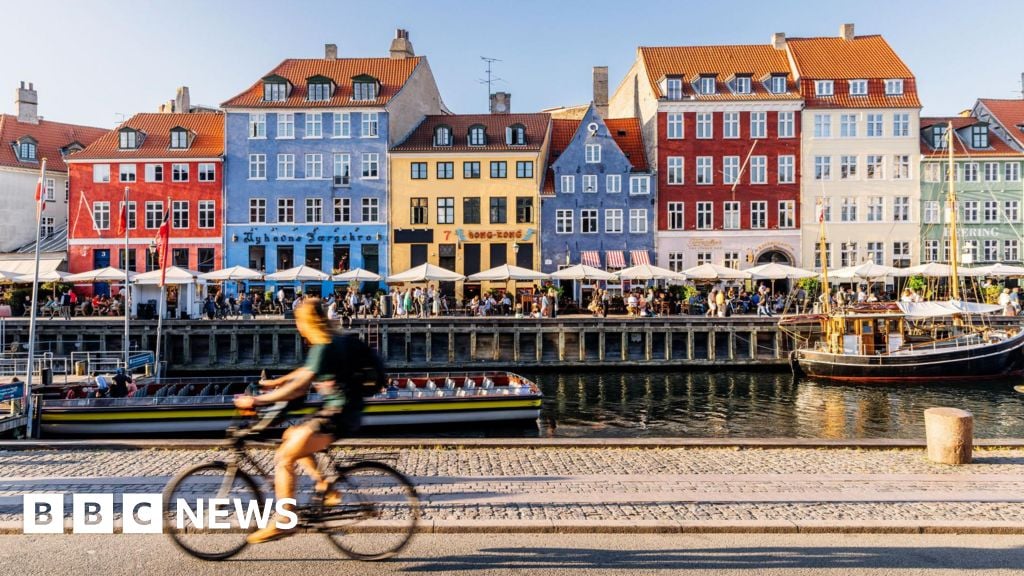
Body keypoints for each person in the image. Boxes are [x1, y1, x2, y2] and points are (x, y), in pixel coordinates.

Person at [234, 298, 386, 544]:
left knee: (284, 458)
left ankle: (285, 521)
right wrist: (275, 383)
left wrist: (257, 401)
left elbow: (298, 387)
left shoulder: (325, 346)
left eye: (297, 322)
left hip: (339, 415)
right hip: (336, 411)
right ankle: (325, 484)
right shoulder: (327, 343)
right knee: (290, 435)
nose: (297, 326)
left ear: (305, 323)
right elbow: (305, 371)